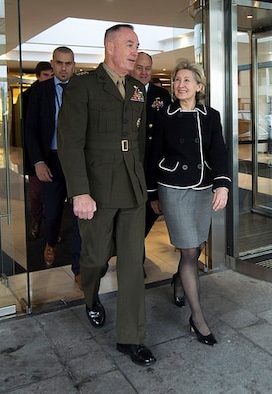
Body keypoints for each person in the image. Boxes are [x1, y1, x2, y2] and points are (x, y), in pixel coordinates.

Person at [57, 24, 156, 367]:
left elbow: (140, 142)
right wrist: (79, 192)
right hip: (96, 190)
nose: (135, 51)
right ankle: (90, 296)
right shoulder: (83, 86)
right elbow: (70, 143)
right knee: (96, 258)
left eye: (137, 45)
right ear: (110, 47)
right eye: (130, 44)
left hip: (132, 187)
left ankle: (131, 337)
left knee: (132, 264)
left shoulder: (136, 89)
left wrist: (146, 184)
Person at [147, 60, 231, 346]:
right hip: (173, 188)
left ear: (199, 86)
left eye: (186, 80)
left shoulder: (210, 115)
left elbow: (218, 151)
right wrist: (152, 194)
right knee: (189, 248)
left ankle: (177, 281)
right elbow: (152, 154)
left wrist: (222, 185)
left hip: (203, 188)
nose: (180, 85)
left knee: (195, 248)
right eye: (176, 81)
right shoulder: (164, 115)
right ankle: (198, 318)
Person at [25, 47, 82, 287]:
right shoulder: (39, 91)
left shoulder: (82, 89)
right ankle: (51, 242)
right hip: (51, 160)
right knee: (53, 212)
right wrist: (38, 162)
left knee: (80, 213)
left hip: (77, 160)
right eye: (59, 63)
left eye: (68, 63)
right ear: (52, 63)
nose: (63, 68)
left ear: (74, 65)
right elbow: (31, 129)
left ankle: (79, 266)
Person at [130, 51, 172, 240]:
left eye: (148, 68)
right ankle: (133, 256)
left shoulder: (162, 95)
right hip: (130, 163)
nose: (144, 72)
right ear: (132, 67)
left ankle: (135, 252)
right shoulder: (123, 91)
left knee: (151, 212)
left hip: (155, 163)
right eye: (139, 67)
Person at [22, 61, 54, 239]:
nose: (49, 79)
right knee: (36, 192)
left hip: (55, 154)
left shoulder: (59, 93)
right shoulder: (28, 97)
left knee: (52, 195)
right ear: (38, 76)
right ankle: (36, 220)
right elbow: (26, 128)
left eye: (51, 75)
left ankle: (51, 227)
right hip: (35, 154)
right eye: (45, 75)